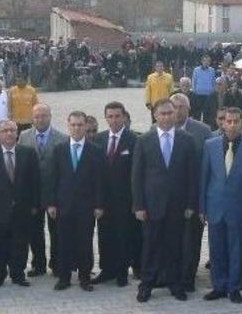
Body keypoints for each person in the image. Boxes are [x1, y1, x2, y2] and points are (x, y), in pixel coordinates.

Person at [132, 99, 198, 303]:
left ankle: (175, 284)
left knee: (175, 247)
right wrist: (139, 205)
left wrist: (190, 204)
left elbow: (192, 176)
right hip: (152, 206)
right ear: (155, 115)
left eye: (170, 113)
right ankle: (146, 285)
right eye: (163, 113)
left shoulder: (187, 140)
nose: (168, 116)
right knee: (151, 247)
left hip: (178, 206)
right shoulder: (144, 140)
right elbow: (137, 176)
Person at [200, 107, 242, 304]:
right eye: (229, 121)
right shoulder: (209, 145)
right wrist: (202, 207)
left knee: (236, 250)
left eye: (236, 121)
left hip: (239, 209)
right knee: (216, 249)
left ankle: (234, 287)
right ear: (223, 123)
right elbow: (204, 178)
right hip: (215, 207)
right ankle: (219, 286)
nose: (232, 125)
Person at [47, 111, 104, 292]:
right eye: (74, 125)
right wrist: (51, 203)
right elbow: (52, 179)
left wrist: (99, 205)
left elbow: (100, 181)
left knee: (85, 243)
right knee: (63, 242)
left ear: (86, 126)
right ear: (68, 125)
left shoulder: (95, 150)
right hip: (64, 206)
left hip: (86, 207)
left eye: (80, 125)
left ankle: (85, 277)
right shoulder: (59, 149)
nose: (77, 128)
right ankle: (64, 277)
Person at [0, 120, 40, 288]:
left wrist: (35, 204)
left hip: (22, 208)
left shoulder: (28, 153)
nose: (9, 133)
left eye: (12, 130)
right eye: (4, 131)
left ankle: (18, 274)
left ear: (17, 133)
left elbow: (35, 181)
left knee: (20, 243)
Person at [92, 101, 139, 287]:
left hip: (125, 199)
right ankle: (107, 269)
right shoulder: (98, 139)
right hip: (103, 199)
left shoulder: (134, 139)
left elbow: (137, 172)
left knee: (123, 235)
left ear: (124, 117)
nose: (113, 120)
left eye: (117, 116)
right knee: (105, 235)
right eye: (110, 116)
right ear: (105, 118)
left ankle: (121, 272)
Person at [18, 103, 68, 277]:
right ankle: (38, 264)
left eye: (44, 115)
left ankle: (57, 264)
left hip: (54, 192)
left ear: (50, 116)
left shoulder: (62, 138)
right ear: (32, 118)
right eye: (37, 116)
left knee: (57, 231)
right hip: (32, 193)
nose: (40, 119)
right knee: (34, 231)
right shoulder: (23, 136)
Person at [170, 93, 212, 292]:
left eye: (181, 107)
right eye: (173, 107)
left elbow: (208, 166)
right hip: (168, 199)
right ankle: (171, 274)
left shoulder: (203, 131)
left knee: (191, 240)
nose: (177, 111)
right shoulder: (159, 129)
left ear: (188, 109)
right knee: (172, 239)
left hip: (194, 196)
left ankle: (188, 277)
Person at [192, 55, 216, 123]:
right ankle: (196, 125)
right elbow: (194, 80)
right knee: (197, 112)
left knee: (207, 112)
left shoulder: (212, 70)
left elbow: (213, 81)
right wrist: (194, 90)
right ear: (201, 61)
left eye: (208, 61)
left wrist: (213, 91)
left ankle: (206, 126)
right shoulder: (196, 70)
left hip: (208, 94)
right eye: (205, 61)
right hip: (198, 93)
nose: (207, 62)